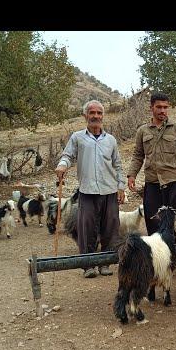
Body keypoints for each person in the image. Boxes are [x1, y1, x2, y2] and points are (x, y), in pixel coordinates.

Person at [55, 100, 126, 278]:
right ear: (85, 115)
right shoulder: (77, 137)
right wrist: (62, 166)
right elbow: (67, 155)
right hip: (87, 191)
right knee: (87, 228)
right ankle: (88, 265)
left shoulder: (110, 140)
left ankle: (105, 263)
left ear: (103, 116)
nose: (96, 116)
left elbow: (117, 165)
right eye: (92, 113)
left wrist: (121, 186)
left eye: (99, 113)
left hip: (109, 190)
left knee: (111, 228)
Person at [127, 92, 176, 235]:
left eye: (165, 107)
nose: (162, 111)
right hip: (152, 183)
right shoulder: (142, 131)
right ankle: (160, 255)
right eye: (158, 107)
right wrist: (131, 175)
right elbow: (138, 155)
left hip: (174, 182)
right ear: (151, 108)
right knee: (153, 222)